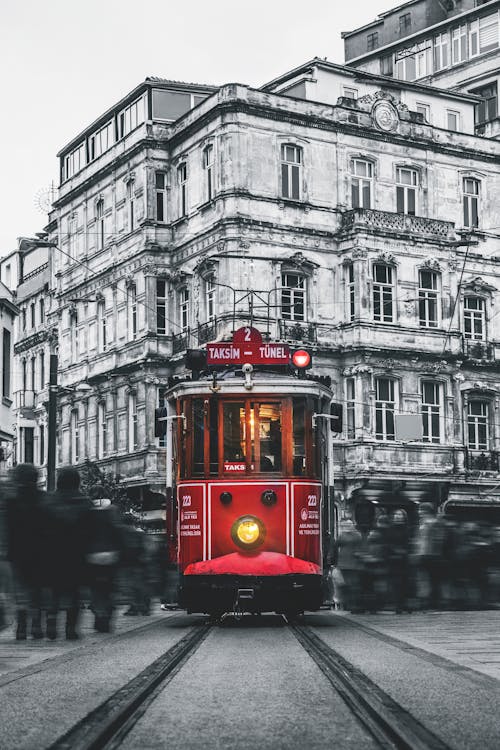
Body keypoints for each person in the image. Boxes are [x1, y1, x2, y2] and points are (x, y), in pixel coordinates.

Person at [44, 467, 93, 640]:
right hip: (77, 556)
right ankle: (70, 628)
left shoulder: (48, 502)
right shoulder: (86, 503)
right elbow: (91, 533)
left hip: (52, 555)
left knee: (54, 591)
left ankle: (51, 620)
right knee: (75, 592)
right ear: (77, 482)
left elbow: (40, 531)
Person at [5, 465, 47, 640]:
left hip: (17, 552)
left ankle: (21, 627)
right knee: (37, 589)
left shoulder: (10, 501)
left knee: (20, 590)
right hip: (40, 551)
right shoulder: (44, 499)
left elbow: (7, 527)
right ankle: (36, 625)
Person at [84, 486, 124, 632]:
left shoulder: (87, 511)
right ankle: (107, 616)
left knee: (95, 590)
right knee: (109, 589)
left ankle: (98, 616)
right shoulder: (113, 510)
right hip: (111, 556)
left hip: (92, 556)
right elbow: (118, 532)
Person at [414, 502, 446, 610]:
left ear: (427, 511)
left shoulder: (435, 523)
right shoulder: (422, 523)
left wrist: (435, 552)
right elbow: (420, 540)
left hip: (432, 555)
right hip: (423, 554)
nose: (420, 512)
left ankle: (434, 604)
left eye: (422, 510)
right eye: (420, 510)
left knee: (433, 580)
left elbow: (438, 540)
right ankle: (426, 603)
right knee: (424, 580)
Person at [332, 514, 363, 612]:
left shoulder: (356, 535)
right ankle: (349, 605)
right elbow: (335, 547)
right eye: (346, 524)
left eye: (350, 524)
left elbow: (336, 547)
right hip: (344, 563)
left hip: (352, 563)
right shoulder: (344, 535)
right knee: (346, 586)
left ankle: (352, 605)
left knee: (352, 586)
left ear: (353, 524)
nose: (348, 526)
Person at [387, 509, 412, 613]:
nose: (398, 517)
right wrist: (394, 550)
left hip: (404, 561)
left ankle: (404, 604)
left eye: (400, 515)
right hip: (393, 561)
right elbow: (388, 543)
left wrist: (404, 551)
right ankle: (398, 605)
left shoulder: (407, 529)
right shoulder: (391, 529)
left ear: (404, 517)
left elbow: (409, 543)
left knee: (404, 583)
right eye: (396, 515)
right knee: (396, 583)